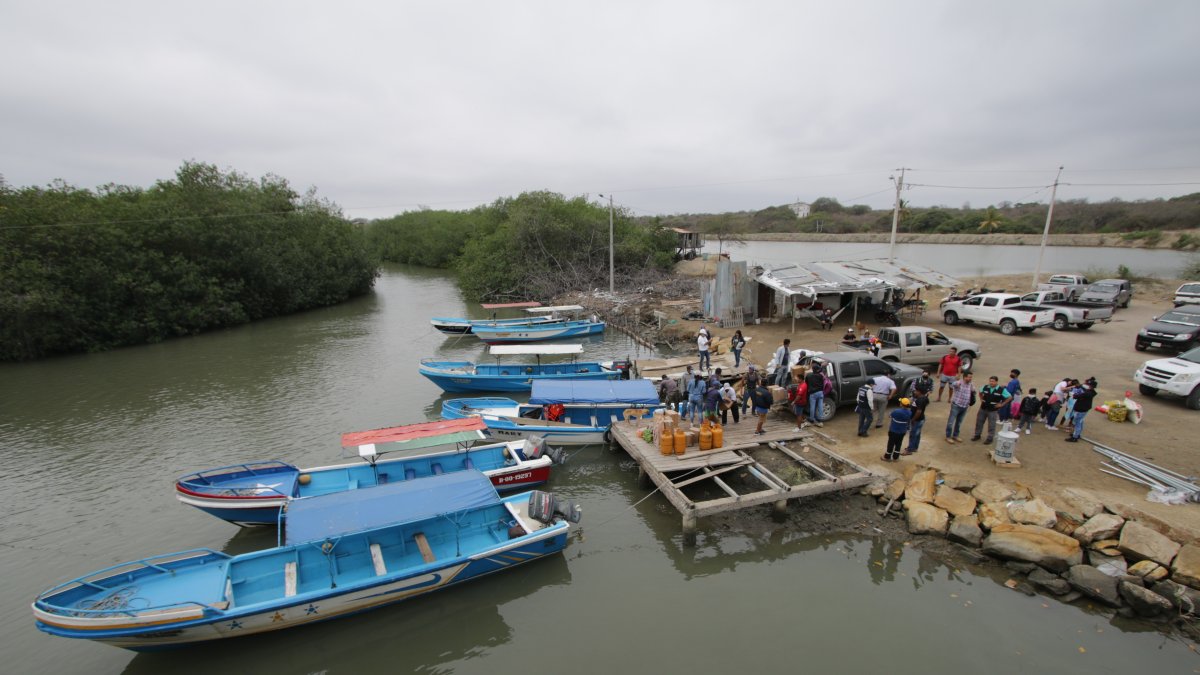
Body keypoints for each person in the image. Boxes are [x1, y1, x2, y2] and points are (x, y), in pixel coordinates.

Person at [971, 375, 1012, 445]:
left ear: (996, 382)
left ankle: (990, 438)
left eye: (993, 381)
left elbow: (1010, 397)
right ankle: (977, 435)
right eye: (990, 381)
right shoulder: (985, 387)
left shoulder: (1001, 390)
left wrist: (1002, 404)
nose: (991, 383)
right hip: (983, 408)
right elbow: (980, 392)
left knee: (991, 425)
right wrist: (981, 399)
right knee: (979, 422)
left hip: (993, 410)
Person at [1065, 378, 1098, 443]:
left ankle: (1075, 437)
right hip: (1084, 409)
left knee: (1077, 423)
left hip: (1080, 409)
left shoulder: (1087, 393)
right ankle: (1077, 434)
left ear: (1090, 386)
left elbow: (1076, 396)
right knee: (1080, 422)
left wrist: (1073, 394)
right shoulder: (1092, 392)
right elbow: (1084, 390)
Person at [944, 372, 974, 443]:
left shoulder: (971, 384)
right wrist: (957, 382)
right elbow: (954, 384)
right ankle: (948, 436)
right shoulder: (959, 383)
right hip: (956, 405)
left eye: (971, 377)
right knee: (951, 422)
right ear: (965, 377)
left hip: (965, 406)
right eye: (969, 377)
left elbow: (973, 392)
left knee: (959, 422)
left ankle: (955, 435)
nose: (970, 379)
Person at [902, 384, 930, 455]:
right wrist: (910, 406)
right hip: (920, 419)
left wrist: (913, 419)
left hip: (917, 420)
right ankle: (914, 447)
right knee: (917, 434)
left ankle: (909, 449)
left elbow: (919, 411)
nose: (914, 392)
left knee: (913, 434)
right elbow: (916, 407)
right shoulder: (924, 398)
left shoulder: (920, 400)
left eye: (916, 391)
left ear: (919, 392)